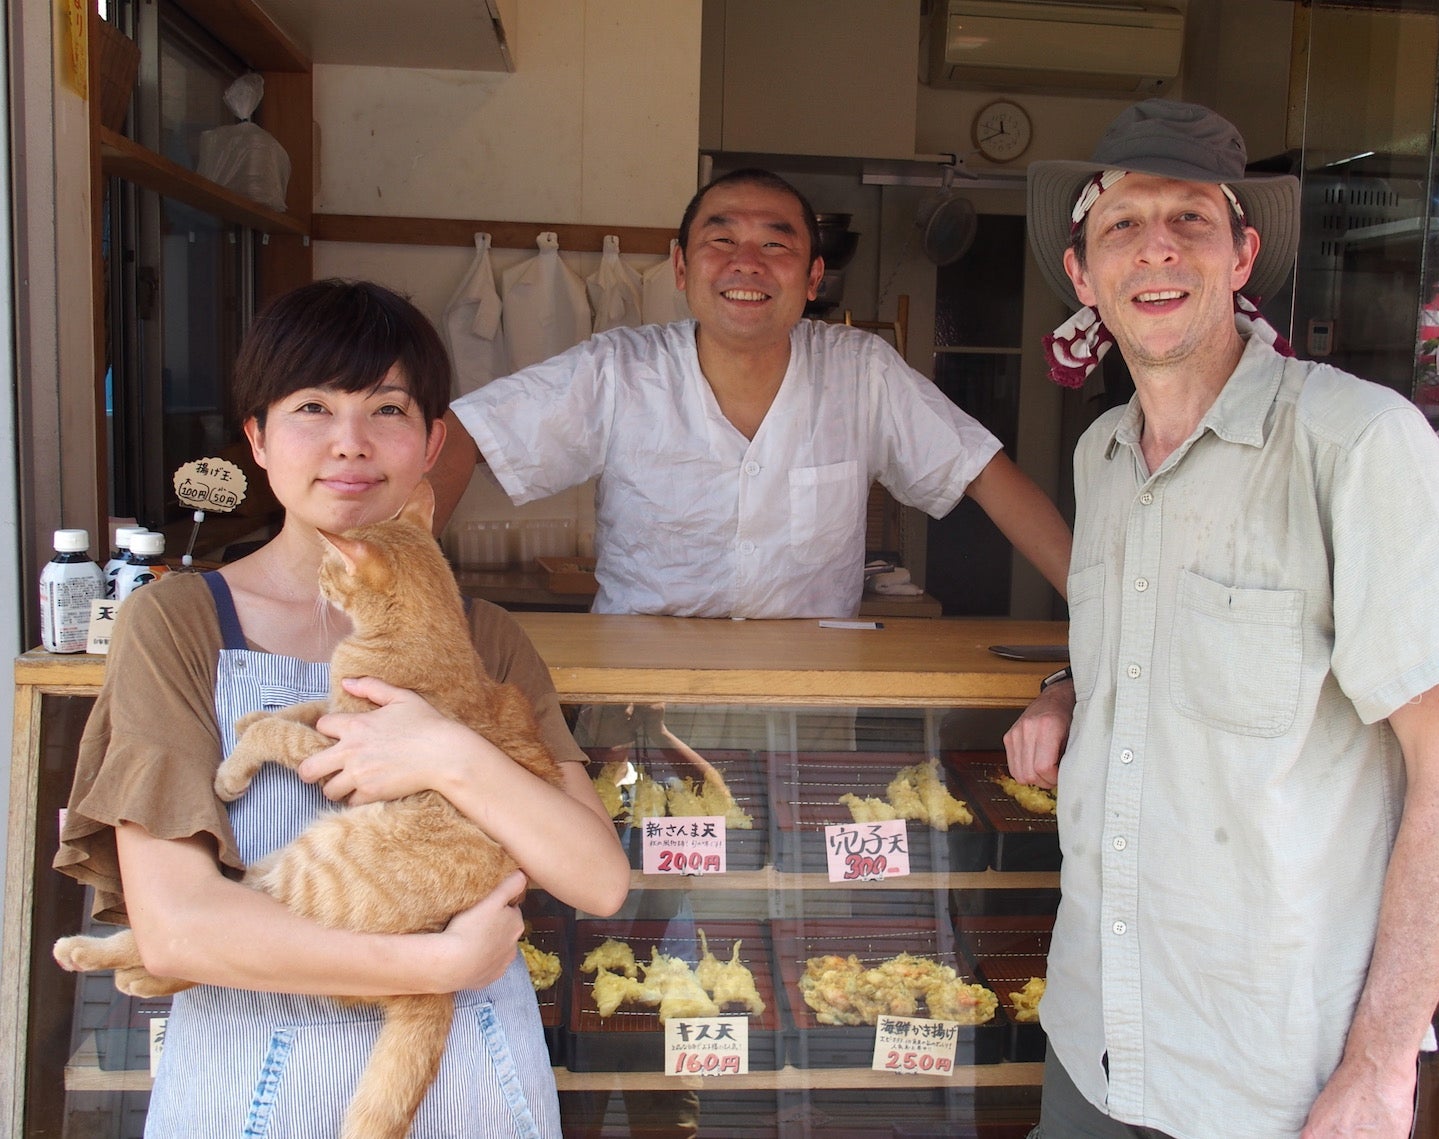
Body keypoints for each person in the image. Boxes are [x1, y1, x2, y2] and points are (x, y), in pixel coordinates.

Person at [1005, 99, 1439, 1139]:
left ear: (1241, 255)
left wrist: (1378, 1065)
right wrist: (1069, 687)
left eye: (1189, 220)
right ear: (1083, 275)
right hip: (1094, 1041)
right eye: (1121, 225)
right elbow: (1146, 658)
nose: (1155, 247)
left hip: (1271, 1076)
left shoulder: (1359, 445)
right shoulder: (1101, 457)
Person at [54, 280, 630, 1136]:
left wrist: (447, 753)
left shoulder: (486, 635)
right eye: (312, 407)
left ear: (433, 440)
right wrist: (430, 961)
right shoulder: (177, 620)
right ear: (257, 437)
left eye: (387, 409)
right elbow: (177, 926)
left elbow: (596, 877)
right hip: (252, 1088)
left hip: (472, 1080)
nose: (350, 445)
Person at [429, 167, 1072, 618]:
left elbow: (987, 474)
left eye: (776, 242)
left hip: (806, 708)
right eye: (721, 239)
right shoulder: (618, 371)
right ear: (682, 267)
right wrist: (395, 598)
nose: (748, 263)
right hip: (642, 703)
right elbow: (461, 436)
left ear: (814, 276)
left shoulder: (861, 372)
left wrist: (1102, 622)